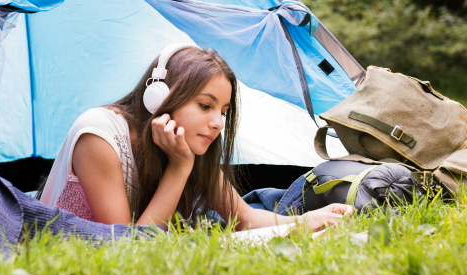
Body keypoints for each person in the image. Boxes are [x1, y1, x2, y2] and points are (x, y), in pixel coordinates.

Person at [41, 44, 352, 233]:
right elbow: (125, 247)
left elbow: (242, 218)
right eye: (205, 106)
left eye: (224, 111)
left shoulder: (187, 141)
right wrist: (179, 168)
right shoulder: (99, 135)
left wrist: (312, 218)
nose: (217, 123)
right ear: (159, 97)